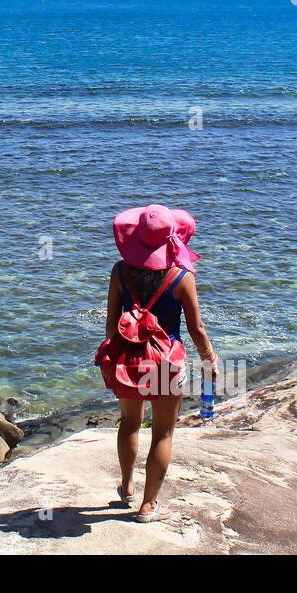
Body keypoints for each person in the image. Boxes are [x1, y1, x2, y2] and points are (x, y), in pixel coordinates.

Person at [98, 204, 218, 522]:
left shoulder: (120, 271)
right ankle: (148, 506)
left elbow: (111, 326)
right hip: (166, 363)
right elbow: (196, 329)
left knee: (129, 422)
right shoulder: (182, 276)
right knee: (163, 432)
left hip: (128, 358)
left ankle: (126, 487)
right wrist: (210, 358)